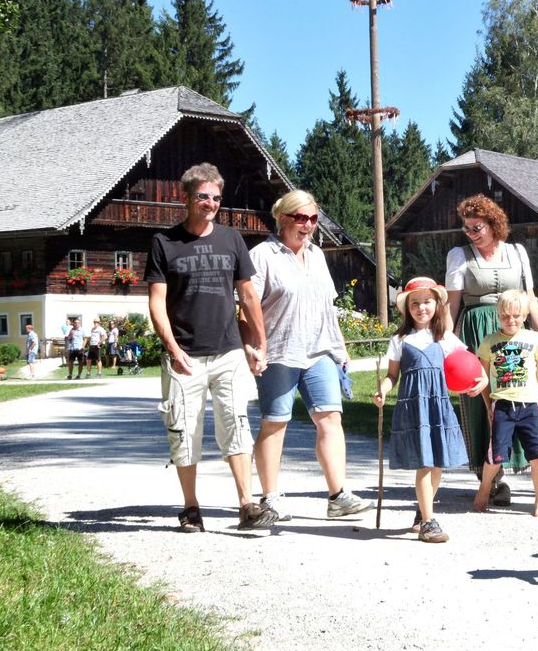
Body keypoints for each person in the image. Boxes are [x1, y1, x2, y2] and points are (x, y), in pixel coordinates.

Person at [145, 162, 276, 533]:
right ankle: (190, 508)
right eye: (203, 196)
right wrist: (172, 348)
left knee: (236, 422)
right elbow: (157, 303)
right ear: (185, 197)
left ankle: (247, 505)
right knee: (184, 430)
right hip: (184, 354)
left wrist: (259, 344)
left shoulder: (232, 239)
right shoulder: (164, 243)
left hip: (228, 351)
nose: (210, 203)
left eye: (216, 197)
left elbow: (248, 295)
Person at [245, 189, 373, 522]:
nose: (308, 225)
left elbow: (326, 305)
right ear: (283, 218)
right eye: (301, 218)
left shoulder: (317, 255)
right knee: (275, 422)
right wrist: (254, 346)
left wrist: (340, 345)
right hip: (280, 350)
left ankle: (338, 495)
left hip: (320, 351)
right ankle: (269, 498)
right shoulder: (262, 255)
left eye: (313, 218)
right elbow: (247, 307)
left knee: (330, 418)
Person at [446, 194, 538, 507]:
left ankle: (513, 466)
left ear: (493, 224)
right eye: (467, 229)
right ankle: (491, 479)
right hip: (477, 331)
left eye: (477, 227)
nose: (471, 233)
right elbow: (451, 304)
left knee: (518, 395)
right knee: (481, 405)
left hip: (515, 332)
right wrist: (448, 346)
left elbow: (530, 299)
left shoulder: (516, 253)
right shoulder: (459, 255)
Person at [375, 277, 485, 543]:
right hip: (414, 408)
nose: (421, 307)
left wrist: (483, 379)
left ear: (436, 304)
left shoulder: (445, 337)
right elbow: (392, 375)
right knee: (424, 463)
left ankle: (423, 509)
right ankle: (428, 522)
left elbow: (470, 363)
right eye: (415, 303)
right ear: (406, 308)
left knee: (436, 464)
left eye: (427, 302)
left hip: (437, 406)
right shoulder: (400, 339)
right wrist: (383, 389)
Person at [474, 290, 538, 516]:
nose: (511, 320)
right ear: (499, 314)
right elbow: (484, 377)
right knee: (496, 455)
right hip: (503, 405)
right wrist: (489, 405)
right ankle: (484, 490)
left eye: (516, 315)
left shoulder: (534, 339)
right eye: (506, 315)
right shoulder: (489, 342)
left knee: (537, 455)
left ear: (525, 315)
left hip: (530, 406)